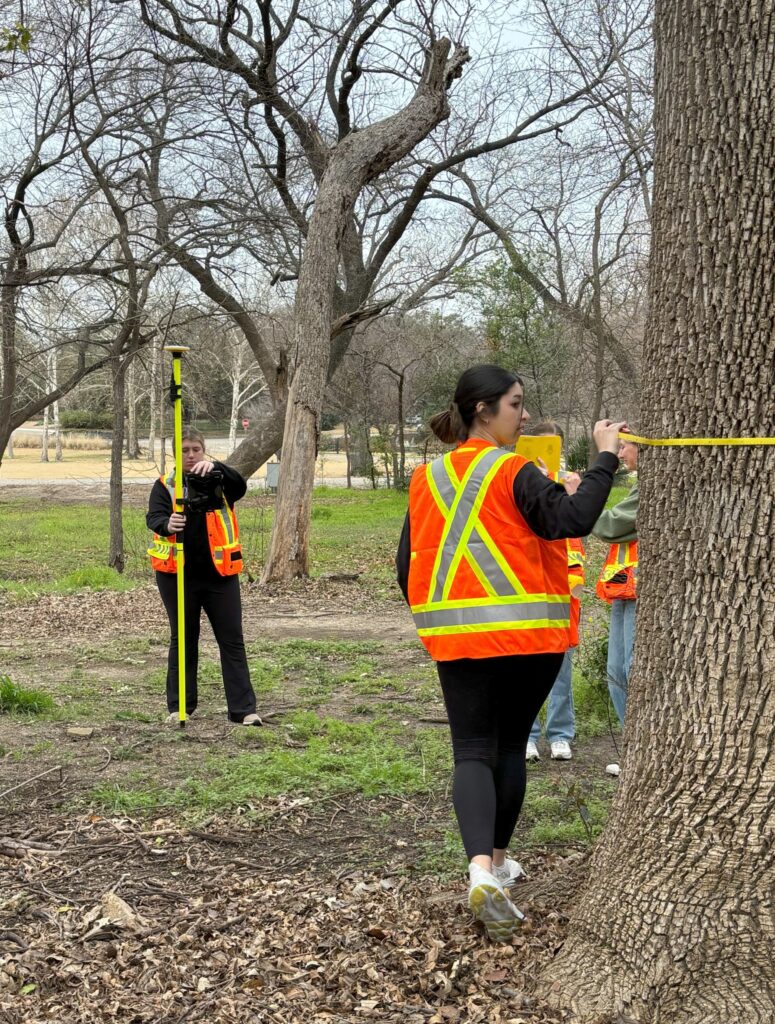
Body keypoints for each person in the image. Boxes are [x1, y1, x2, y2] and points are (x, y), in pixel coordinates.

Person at [396, 365, 625, 941]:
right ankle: (497, 862)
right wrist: (605, 459)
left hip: (457, 638)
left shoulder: (427, 477)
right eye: (516, 405)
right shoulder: (512, 469)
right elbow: (571, 519)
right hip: (529, 637)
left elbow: (408, 562)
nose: (523, 416)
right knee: (507, 747)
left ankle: (480, 868)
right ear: (483, 410)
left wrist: (436, 617)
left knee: (472, 749)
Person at [146, 428, 261, 726]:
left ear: (204, 450)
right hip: (177, 577)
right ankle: (180, 707)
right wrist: (167, 524)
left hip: (220, 575)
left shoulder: (219, 481)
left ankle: (244, 710)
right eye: (185, 450)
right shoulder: (165, 485)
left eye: (196, 448)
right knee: (183, 640)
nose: (191, 454)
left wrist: (219, 468)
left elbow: (241, 486)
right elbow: (153, 517)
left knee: (232, 640)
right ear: (176, 454)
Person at [525, 421, 585, 763]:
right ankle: (528, 735)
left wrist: (573, 494)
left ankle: (560, 734)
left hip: (563, 595)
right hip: (527, 593)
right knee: (527, 672)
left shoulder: (570, 485)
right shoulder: (519, 483)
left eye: (553, 447)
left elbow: (577, 536)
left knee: (561, 670)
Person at [593, 435, 638, 751]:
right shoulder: (638, 486)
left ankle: (639, 750)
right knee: (617, 673)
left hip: (640, 595)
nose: (620, 452)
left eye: (624, 446)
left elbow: (609, 526)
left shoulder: (655, 487)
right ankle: (633, 750)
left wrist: (576, 501)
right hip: (624, 591)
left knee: (631, 671)